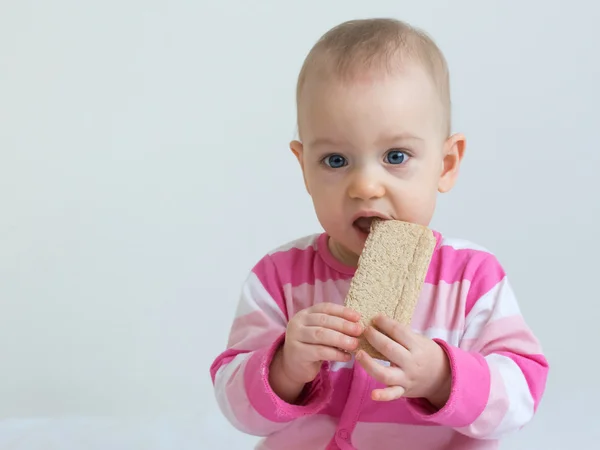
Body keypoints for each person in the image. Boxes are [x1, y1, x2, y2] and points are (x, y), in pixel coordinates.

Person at [209, 18, 548, 450]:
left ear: (445, 165)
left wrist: (443, 376)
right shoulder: (278, 279)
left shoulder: (472, 278)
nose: (365, 186)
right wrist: (285, 367)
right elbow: (236, 408)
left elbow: (521, 397)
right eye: (335, 160)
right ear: (304, 168)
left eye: (396, 155)